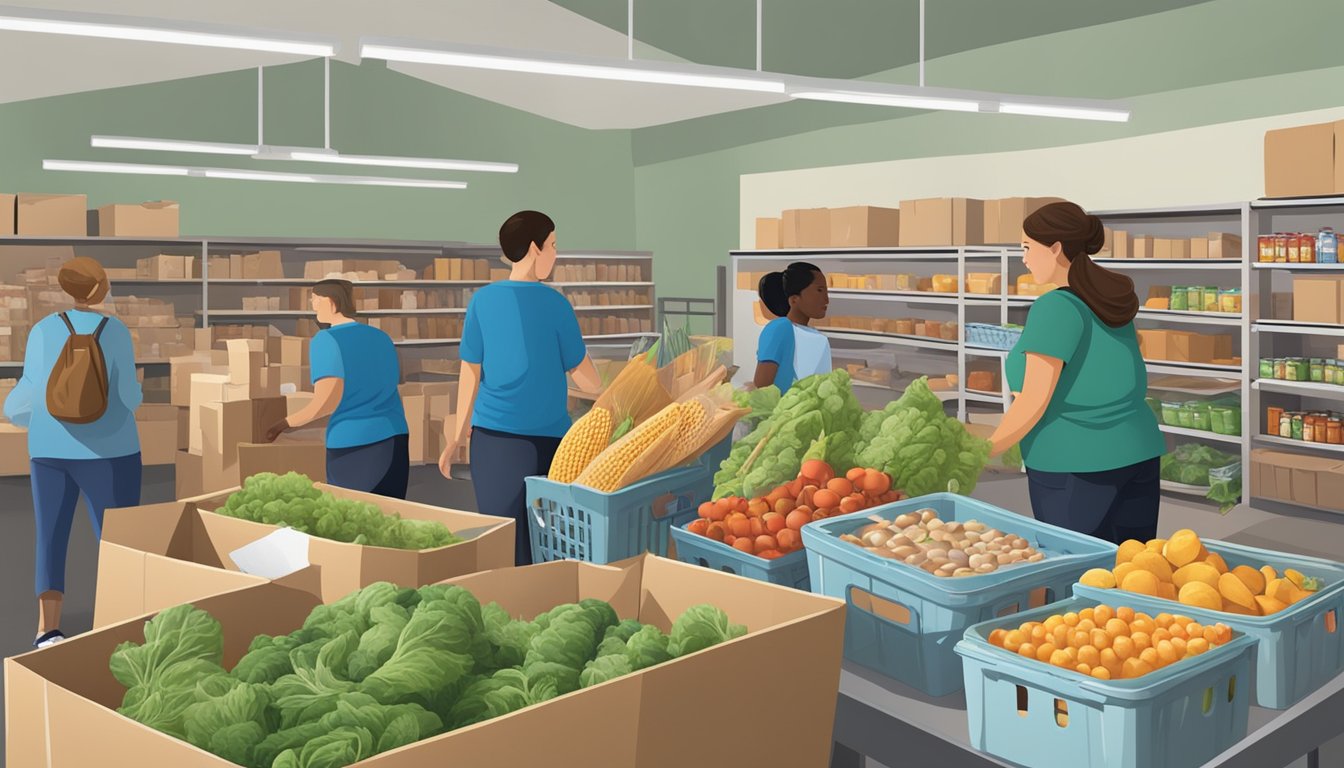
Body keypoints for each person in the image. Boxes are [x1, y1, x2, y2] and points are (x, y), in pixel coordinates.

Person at [988, 201, 1165, 545]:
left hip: (1073, 463)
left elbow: (1034, 401)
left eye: (1026, 247)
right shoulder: (1110, 300)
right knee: (1133, 571)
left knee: (1075, 576)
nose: (1022, 257)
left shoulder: (1055, 307)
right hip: (1137, 451)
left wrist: (982, 451)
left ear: (1055, 249)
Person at [439, 210, 603, 566]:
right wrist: (616, 393)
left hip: (495, 442)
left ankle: (511, 607)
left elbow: (470, 371)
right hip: (553, 444)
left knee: (503, 541)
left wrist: (457, 434)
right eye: (553, 246)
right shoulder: (556, 304)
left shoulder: (482, 301)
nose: (556, 255)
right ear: (534, 248)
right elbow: (585, 377)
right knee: (552, 539)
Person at [3, 257, 142, 648]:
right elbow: (130, 396)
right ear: (102, 289)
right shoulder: (115, 331)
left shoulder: (44, 330)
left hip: (49, 451)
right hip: (113, 453)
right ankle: (122, 620)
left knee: (50, 535)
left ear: (67, 288)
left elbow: (25, 396)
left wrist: (32, 418)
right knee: (117, 539)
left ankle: (47, 629)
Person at [265, 279, 410, 499]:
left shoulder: (326, 340)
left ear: (332, 303)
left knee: (351, 520)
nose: (313, 307)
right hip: (395, 437)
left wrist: (283, 424)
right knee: (390, 518)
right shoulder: (381, 337)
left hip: (355, 446)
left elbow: (326, 403)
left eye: (315, 300)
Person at [752, 261, 832, 393]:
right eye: (819, 290)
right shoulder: (779, 328)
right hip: (782, 412)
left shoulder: (820, 339)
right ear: (794, 299)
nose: (826, 300)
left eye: (826, 291)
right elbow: (762, 388)